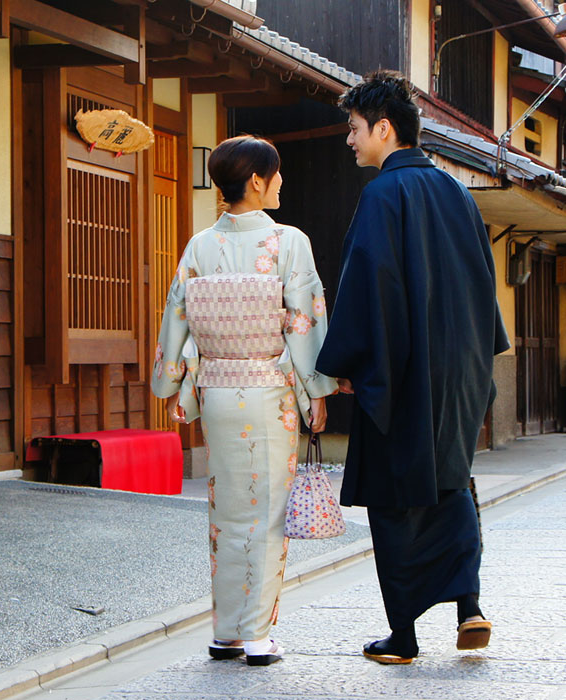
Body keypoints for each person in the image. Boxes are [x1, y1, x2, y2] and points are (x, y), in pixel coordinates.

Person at [316, 71, 510, 664]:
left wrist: (348, 362)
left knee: (395, 495)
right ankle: (469, 608)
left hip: (401, 373)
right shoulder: (455, 192)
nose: (349, 141)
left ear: (383, 128)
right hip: (458, 371)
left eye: (353, 129)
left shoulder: (382, 194)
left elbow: (369, 283)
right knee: (450, 483)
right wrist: (478, 361)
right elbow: (482, 282)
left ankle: (402, 636)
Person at [152, 135, 336, 666]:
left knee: (225, 512)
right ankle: (256, 635)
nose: (280, 183)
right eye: (275, 174)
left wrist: (173, 385)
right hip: (270, 393)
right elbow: (303, 323)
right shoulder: (289, 242)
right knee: (267, 513)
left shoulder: (199, 246)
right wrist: (316, 391)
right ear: (256, 181)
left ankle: (226, 631)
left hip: (216, 392)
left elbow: (176, 320)